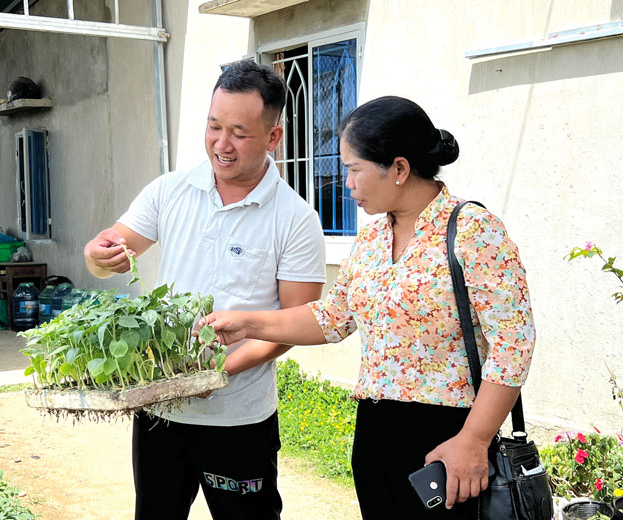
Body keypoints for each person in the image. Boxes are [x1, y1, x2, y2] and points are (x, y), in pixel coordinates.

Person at [199, 96, 536, 519]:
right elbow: (333, 318)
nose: (346, 184)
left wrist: (474, 439)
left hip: (448, 439)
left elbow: (514, 344)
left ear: (398, 169)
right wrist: (246, 323)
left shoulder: (472, 231)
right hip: (375, 434)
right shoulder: (373, 238)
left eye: (354, 170)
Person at [83, 60, 326, 520]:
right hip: (159, 410)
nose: (222, 143)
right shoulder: (170, 191)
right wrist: (96, 255)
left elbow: (296, 324)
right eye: (214, 126)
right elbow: (107, 250)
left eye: (239, 132)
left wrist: (217, 373)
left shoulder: (295, 219)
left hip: (238, 418)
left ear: (273, 137)